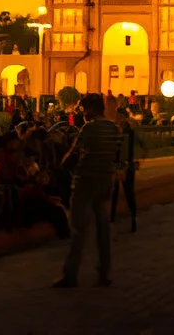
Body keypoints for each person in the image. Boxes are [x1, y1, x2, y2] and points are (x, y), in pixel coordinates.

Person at [54, 93, 121, 289]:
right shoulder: (114, 128)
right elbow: (117, 155)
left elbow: (75, 153)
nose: (82, 114)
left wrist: (62, 166)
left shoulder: (89, 128)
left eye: (83, 110)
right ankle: (103, 272)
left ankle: (71, 274)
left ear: (90, 109)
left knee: (78, 229)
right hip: (105, 179)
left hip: (85, 181)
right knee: (103, 228)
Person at [110, 108, 144, 232]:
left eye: (120, 117)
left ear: (125, 117)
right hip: (116, 166)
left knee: (128, 192)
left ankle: (133, 218)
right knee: (113, 192)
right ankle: (111, 218)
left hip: (127, 166)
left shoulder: (130, 131)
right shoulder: (115, 130)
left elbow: (139, 146)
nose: (118, 120)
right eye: (117, 117)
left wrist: (134, 161)